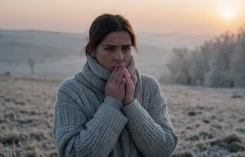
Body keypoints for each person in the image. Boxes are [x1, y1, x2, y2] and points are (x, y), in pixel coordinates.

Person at [53, 14, 178, 157]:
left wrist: (131, 104)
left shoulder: (149, 87)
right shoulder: (71, 91)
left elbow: (164, 149)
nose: (119, 57)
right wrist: (112, 103)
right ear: (92, 50)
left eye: (125, 48)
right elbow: (73, 153)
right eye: (109, 48)